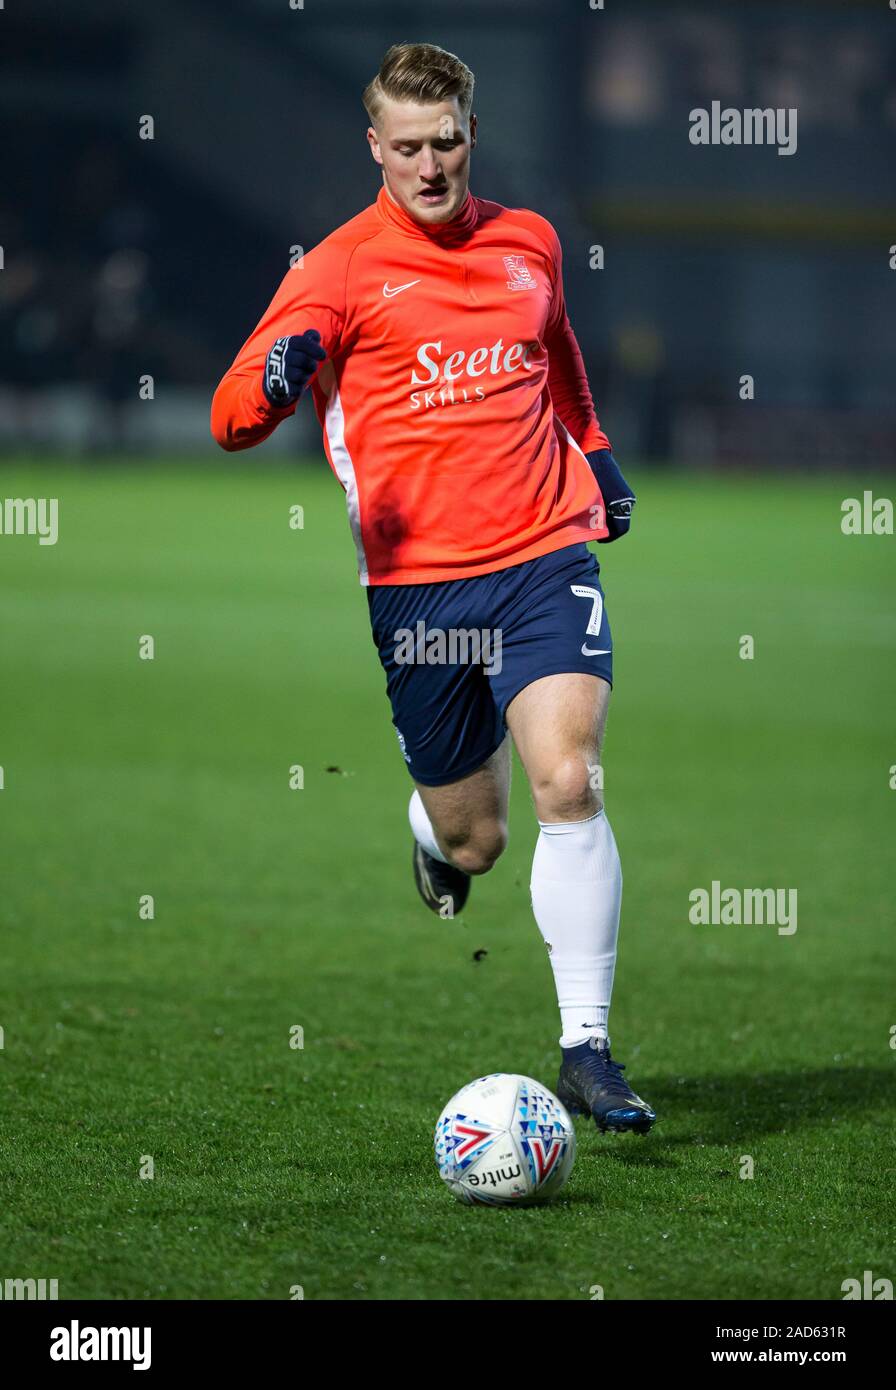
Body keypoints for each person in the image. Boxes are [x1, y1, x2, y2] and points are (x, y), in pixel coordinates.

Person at [212, 42, 655, 1134]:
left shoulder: (529, 242)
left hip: (544, 554)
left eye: (444, 141)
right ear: (375, 147)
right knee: (479, 841)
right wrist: (269, 383)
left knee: (568, 778)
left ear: (470, 133)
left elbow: (557, 357)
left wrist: (590, 449)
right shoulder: (338, 268)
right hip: (418, 594)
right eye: (404, 147)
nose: (427, 165)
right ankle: (430, 830)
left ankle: (585, 1046)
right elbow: (228, 413)